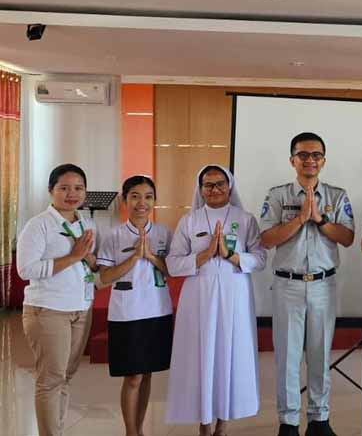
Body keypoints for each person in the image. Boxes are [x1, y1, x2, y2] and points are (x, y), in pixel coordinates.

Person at [260, 132, 355, 436]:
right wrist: (300, 219)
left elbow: (348, 237)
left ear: (323, 161)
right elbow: (266, 239)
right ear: (292, 160)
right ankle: (288, 422)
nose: (310, 160)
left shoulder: (337, 195)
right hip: (288, 285)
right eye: (303, 155)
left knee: (319, 354)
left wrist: (321, 220)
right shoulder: (278, 195)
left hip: (323, 285)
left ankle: (319, 419)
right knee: (287, 357)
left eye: (316, 155)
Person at [165, 165, 266, 436]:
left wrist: (230, 255)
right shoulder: (190, 221)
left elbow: (260, 258)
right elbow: (173, 263)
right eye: (208, 185)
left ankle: (223, 423)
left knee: (230, 353)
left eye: (220, 184)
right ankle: (204, 423)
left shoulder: (245, 219)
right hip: (198, 297)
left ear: (230, 186)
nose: (214, 190)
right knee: (201, 356)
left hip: (235, 296)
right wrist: (206, 254)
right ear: (200, 189)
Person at [17, 163, 99, 436]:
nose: (72, 194)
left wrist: (88, 260)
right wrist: (73, 257)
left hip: (80, 308)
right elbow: (26, 269)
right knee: (51, 380)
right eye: (64, 188)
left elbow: (88, 267)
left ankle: (57, 431)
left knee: (65, 377)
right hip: (48, 310)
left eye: (78, 188)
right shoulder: (38, 225)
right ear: (51, 190)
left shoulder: (86, 223)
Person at [96, 175, 173, 436]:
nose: (142, 203)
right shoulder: (114, 236)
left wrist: (151, 256)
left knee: (148, 373)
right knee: (133, 377)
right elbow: (103, 278)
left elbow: (172, 270)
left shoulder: (164, 233)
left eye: (148, 197)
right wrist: (134, 258)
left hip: (158, 310)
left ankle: (139, 429)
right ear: (125, 200)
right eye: (135, 196)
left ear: (155, 201)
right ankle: (131, 432)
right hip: (127, 313)